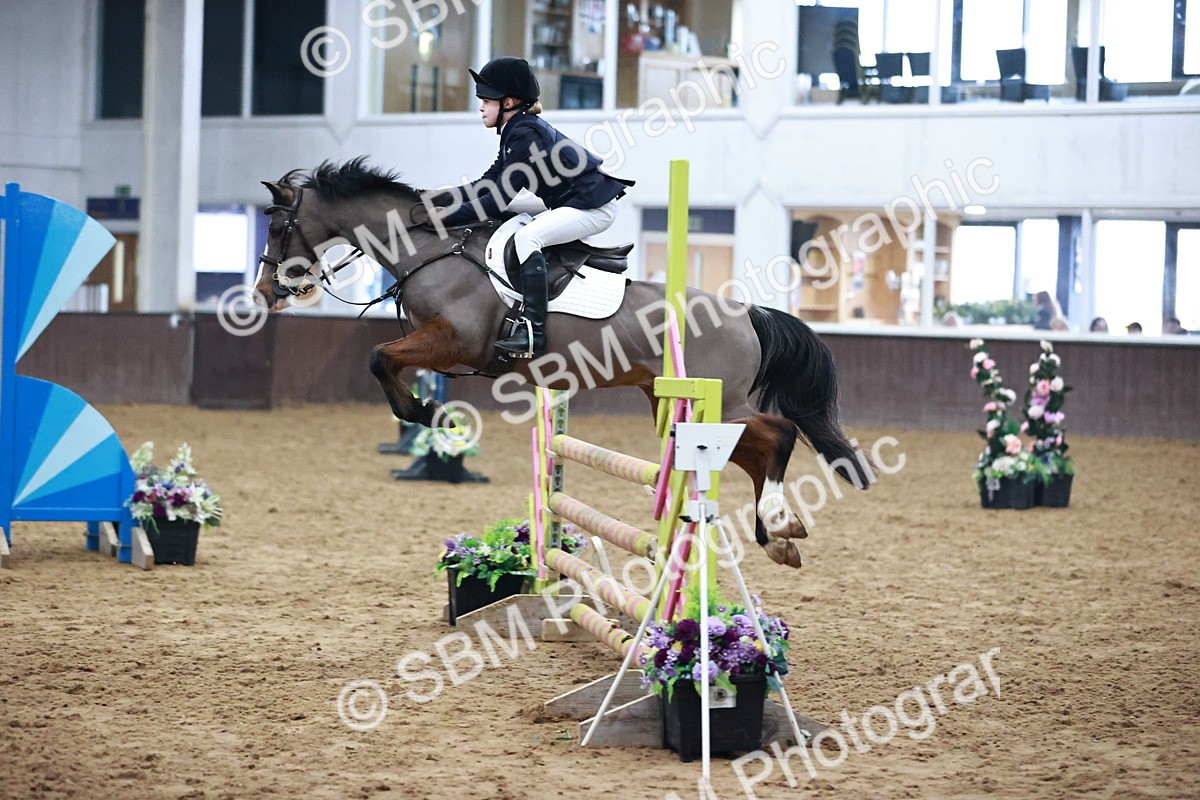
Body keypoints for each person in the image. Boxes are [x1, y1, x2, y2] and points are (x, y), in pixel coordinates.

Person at [414, 57, 634, 358]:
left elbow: (495, 200)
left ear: (509, 102)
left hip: (593, 207)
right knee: (512, 222)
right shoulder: (514, 132)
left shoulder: (524, 134)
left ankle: (533, 333)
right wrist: (441, 197)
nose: (480, 107)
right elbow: (486, 183)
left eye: (486, 101)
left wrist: (443, 217)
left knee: (527, 237)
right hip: (569, 201)